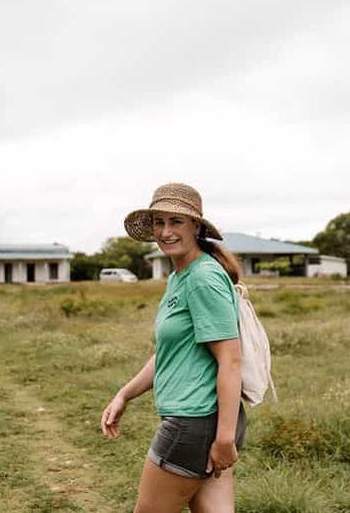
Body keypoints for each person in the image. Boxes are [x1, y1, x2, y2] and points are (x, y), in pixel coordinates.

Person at [101, 183, 245, 513]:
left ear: (196, 226)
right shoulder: (180, 276)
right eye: (159, 222)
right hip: (204, 422)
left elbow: (230, 360)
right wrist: (124, 394)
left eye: (176, 222)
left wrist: (224, 439)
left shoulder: (202, 277)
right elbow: (169, 355)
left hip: (193, 423)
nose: (166, 232)